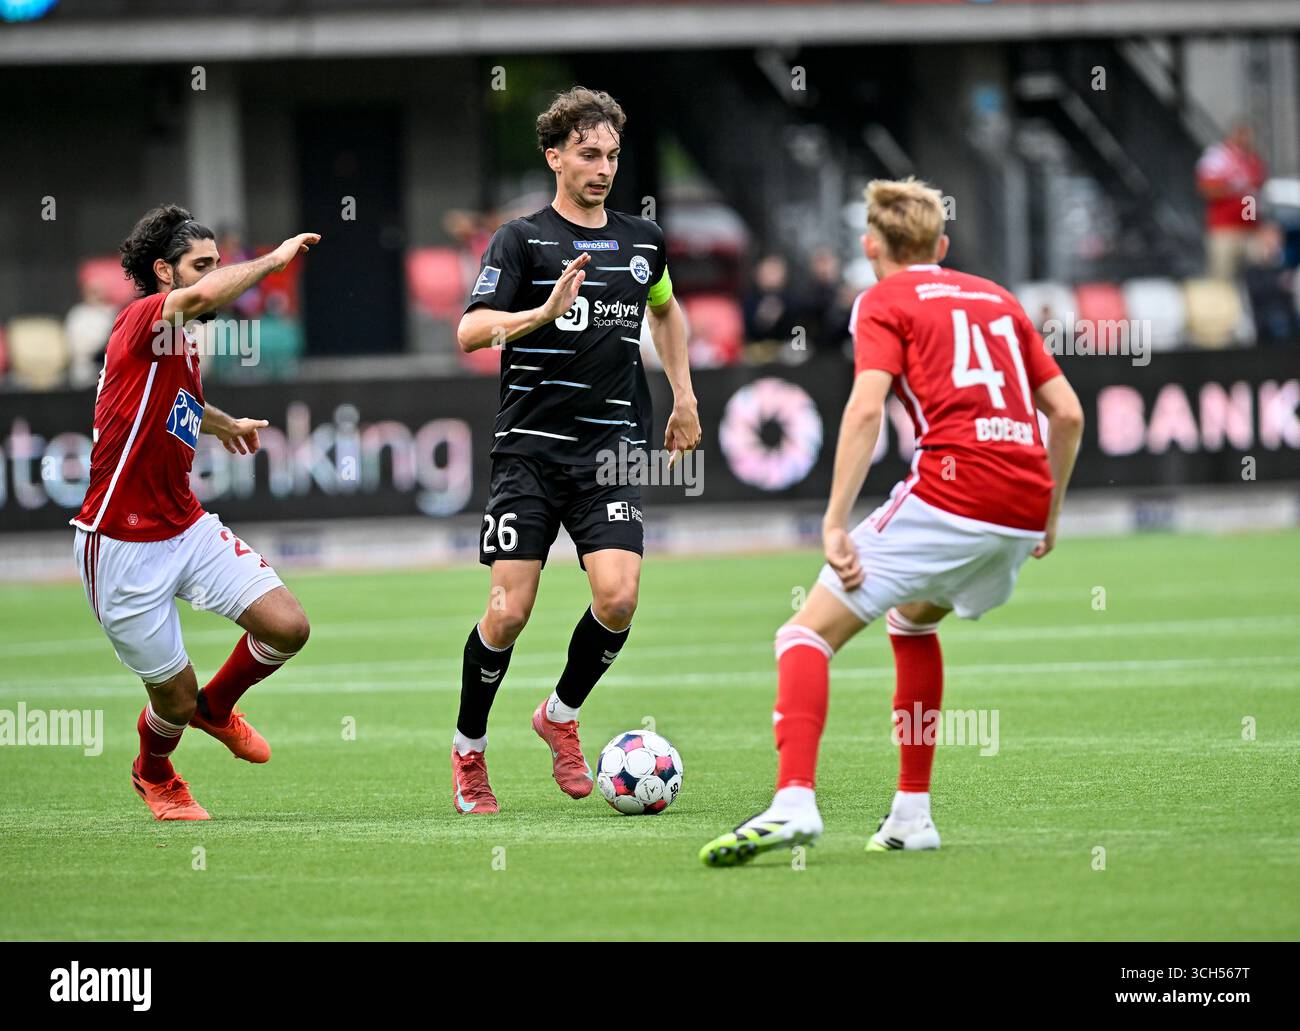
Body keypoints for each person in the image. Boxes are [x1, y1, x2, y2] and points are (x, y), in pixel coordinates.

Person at [700, 178, 1084, 865]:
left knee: (803, 634)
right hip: (1023, 504)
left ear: (869, 245)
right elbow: (1069, 413)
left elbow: (865, 408)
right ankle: (912, 815)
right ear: (941, 245)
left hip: (955, 491)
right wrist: (1047, 516)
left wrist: (835, 520)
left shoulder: (880, 299)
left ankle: (793, 801)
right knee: (913, 618)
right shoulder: (998, 297)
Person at [450, 86, 701, 813]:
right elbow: (471, 333)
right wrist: (544, 312)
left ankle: (559, 715)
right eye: (588, 153)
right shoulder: (520, 240)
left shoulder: (642, 240)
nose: (603, 167)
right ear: (555, 156)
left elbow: (667, 310)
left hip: (612, 448)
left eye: (613, 155)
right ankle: (469, 751)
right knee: (507, 612)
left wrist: (684, 396)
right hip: (527, 452)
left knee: (619, 597)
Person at [72, 204, 318, 820]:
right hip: (120, 543)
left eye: (217, 262)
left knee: (288, 626)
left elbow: (176, 403)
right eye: (201, 265)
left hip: (185, 525)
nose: (215, 275)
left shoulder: (179, 341)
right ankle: (153, 772)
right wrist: (275, 259)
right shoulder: (139, 318)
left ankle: (218, 705)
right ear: (164, 273)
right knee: (171, 702)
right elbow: (207, 294)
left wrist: (222, 422)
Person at [1196, 121, 1268, 282]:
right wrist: (1233, 189)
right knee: (1222, 279)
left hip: (1250, 228)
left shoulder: (1253, 160)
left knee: (1256, 277)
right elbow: (1206, 188)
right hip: (1224, 228)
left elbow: (1257, 193)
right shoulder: (1218, 156)